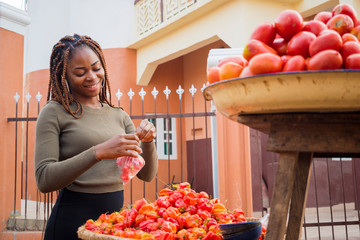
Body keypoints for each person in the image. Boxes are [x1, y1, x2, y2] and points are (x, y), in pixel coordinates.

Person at [34, 34, 158, 240]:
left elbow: (147, 175)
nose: (91, 76)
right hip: (71, 223)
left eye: (96, 67)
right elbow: (44, 179)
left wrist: (148, 141)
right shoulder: (55, 112)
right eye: (80, 72)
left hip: (113, 225)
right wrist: (99, 152)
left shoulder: (119, 115)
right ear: (64, 75)